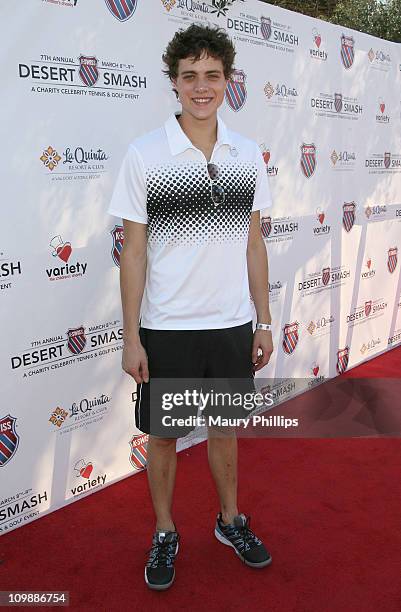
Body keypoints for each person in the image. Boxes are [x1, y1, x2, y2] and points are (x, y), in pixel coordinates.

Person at [108, 23, 274, 591]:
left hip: (232, 324)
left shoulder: (248, 153)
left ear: (227, 81)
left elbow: (253, 243)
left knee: (224, 430)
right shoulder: (145, 154)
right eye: (189, 76)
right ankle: (164, 530)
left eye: (212, 75)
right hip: (169, 328)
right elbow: (133, 254)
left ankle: (230, 521)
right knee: (164, 437)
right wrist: (131, 336)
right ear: (173, 83)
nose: (201, 86)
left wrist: (264, 319)